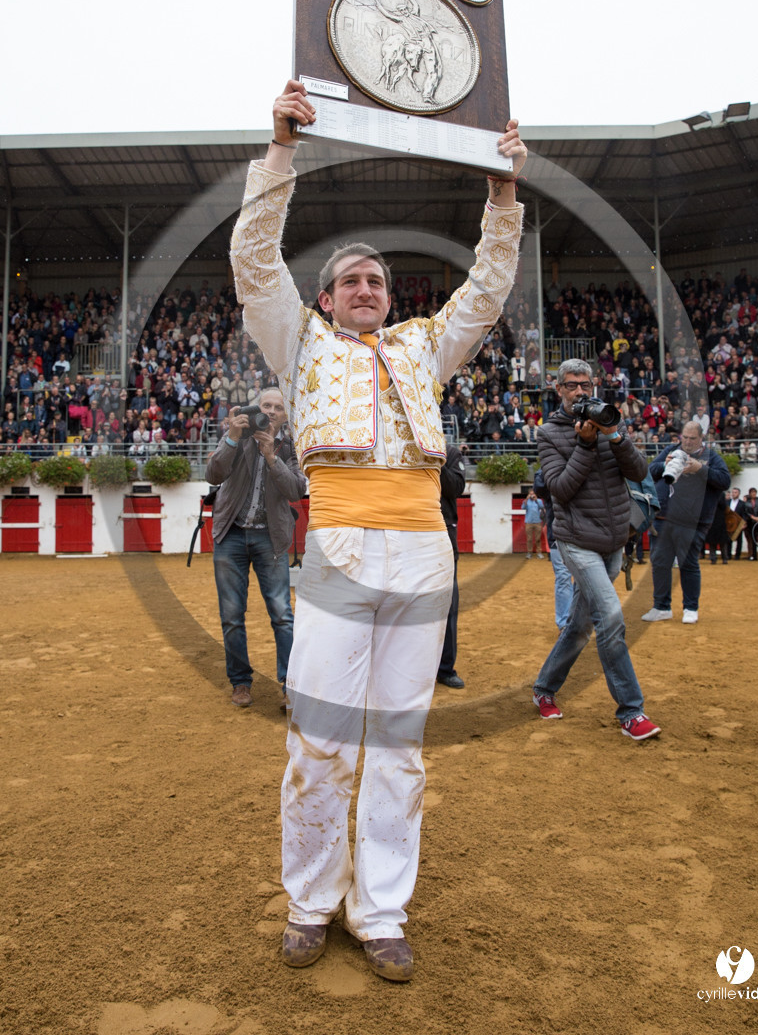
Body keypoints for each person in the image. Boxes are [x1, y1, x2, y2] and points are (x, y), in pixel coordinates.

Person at [229, 79, 525, 981]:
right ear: (324, 300)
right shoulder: (302, 342)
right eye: (351, 280)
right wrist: (281, 150)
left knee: (399, 740)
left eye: (379, 281)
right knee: (319, 735)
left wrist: (503, 194)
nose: (367, 288)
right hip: (340, 548)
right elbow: (253, 259)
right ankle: (313, 902)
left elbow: (486, 291)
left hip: (424, 554)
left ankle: (382, 909)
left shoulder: (421, 347)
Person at [532, 359, 660, 741]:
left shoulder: (607, 421)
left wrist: (615, 436)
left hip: (614, 541)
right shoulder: (549, 433)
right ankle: (631, 712)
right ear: (558, 390)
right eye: (571, 386)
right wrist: (585, 445)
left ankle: (543, 689)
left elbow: (639, 471)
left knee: (579, 627)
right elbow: (561, 488)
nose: (580, 392)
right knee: (611, 619)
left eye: (585, 384)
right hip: (576, 542)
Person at [205, 388, 306, 708]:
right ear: (256, 407)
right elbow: (213, 474)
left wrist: (272, 457)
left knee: (282, 615)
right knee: (232, 615)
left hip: (270, 538)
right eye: (267, 406)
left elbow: (296, 489)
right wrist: (233, 438)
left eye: (278, 407)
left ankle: (290, 685)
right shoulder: (239, 435)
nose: (272, 411)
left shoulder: (290, 446)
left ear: (285, 415)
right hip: (231, 534)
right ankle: (240, 682)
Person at [641, 421, 731, 625]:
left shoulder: (711, 457)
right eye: (685, 438)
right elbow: (650, 470)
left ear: (701, 439)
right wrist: (666, 464)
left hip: (692, 521)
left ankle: (691, 608)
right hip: (663, 518)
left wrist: (699, 469)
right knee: (660, 563)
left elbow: (725, 481)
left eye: (692, 438)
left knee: (688, 564)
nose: (688, 442)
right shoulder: (671, 450)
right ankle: (661, 606)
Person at [436, 443, 467, 689]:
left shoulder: (450, 452)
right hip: (410, 530)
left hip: (444, 532)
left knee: (448, 605)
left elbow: (456, 488)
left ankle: (445, 668)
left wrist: (436, 461)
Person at [534, 468, 574, 632]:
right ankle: (565, 623)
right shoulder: (546, 470)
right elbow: (539, 487)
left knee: (579, 579)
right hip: (559, 533)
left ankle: (574, 621)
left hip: (582, 533)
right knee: (564, 577)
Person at [523, 485, 545, 559]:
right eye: (531, 494)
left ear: (535, 494)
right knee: (529, 539)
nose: (532, 495)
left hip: (537, 522)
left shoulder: (539, 501)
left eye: (533, 494)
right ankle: (529, 553)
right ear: (529, 494)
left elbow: (542, 507)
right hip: (528, 522)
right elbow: (523, 507)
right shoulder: (526, 501)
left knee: (538, 538)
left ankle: (539, 553)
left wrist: (536, 500)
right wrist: (526, 499)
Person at [727, 486, 747, 559]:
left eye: (735, 492)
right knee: (728, 540)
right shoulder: (727, 502)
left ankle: (737, 555)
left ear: (739, 494)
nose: (733, 494)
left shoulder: (742, 503)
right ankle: (728, 555)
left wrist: (744, 523)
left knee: (739, 540)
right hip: (729, 524)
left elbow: (744, 514)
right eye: (733, 492)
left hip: (738, 524)